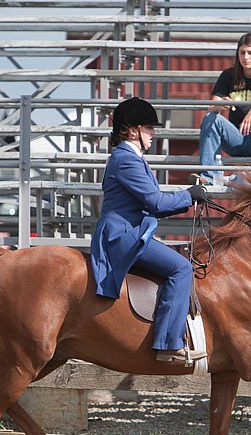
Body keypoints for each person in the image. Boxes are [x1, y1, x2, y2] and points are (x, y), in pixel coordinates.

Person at [91, 96, 208, 364]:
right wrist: (189, 194)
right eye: (149, 128)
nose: (153, 134)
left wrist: (189, 197)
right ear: (133, 131)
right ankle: (168, 343)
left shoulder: (130, 157)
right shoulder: (126, 159)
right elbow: (155, 202)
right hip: (122, 234)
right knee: (182, 268)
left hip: (131, 229)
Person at [191, 32, 251, 184]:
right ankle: (208, 177)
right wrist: (221, 104)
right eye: (242, 52)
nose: (246, 57)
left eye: (250, 52)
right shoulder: (228, 75)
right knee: (211, 118)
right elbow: (211, 108)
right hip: (236, 138)